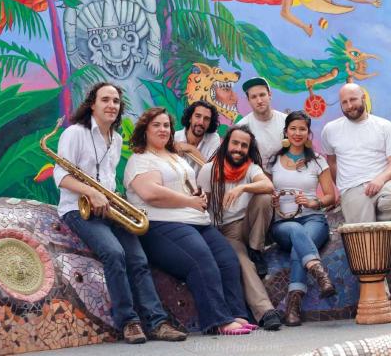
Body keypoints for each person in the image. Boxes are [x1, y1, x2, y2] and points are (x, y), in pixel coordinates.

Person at [54, 83, 186, 344]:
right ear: (93, 104)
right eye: (105, 100)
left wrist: (117, 201)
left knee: (138, 259)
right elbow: (61, 176)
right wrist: (90, 192)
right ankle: (129, 322)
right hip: (77, 208)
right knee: (114, 253)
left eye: (115, 101)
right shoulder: (74, 134)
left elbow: (109, 179)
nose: (111, 105)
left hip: (109, 206)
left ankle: (157, 322)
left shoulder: (115, 138)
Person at [123, 107, 254, 335]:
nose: (163, 130)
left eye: (166, 126)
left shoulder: (174, 156)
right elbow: (151, 193)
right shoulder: (140, 159)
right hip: (161, 224)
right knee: (200, 259)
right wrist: (188, 201)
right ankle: (219, 321)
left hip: (195, 220)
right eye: (156, 125)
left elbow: (186, 186)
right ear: (144, 130)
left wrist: (198, 195)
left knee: (227, 259)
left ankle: (237, 314)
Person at [197, 125, 283, 331]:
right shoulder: (209, 170)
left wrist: (243, 187)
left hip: (246, 225)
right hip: (221, 230)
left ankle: (255, 249)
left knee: (264, 196)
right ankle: (266, 311)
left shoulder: (252, 168)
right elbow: (202, 205)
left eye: (244, 145)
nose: (239, 148)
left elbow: (269, 186)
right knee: (242, 261)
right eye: (235, 143)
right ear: (226, 143)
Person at [268, 111, 336, 326]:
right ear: (286, 131)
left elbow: (330, 196)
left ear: (308, 133)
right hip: (282, 223)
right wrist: (272, 202)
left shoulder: (317, 161)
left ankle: (293, 305)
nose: (298, 133)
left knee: (301, 242)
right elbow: (265, 191)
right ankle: (318, 271)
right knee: (297, 233)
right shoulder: (273, 161)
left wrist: (313, 202)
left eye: (302, 129)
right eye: (293, 128)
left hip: (313, 219)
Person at [321, 83, 391, 224]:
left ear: (363, 98)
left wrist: (380, 179)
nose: (349, 106)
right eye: (344, 102)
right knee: (365, 235)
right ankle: (368, 219)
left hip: (383, 184)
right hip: (352, 188)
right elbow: (332, 162)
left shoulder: (384, 126)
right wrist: (342, 189)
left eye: (353, 100)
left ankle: (372, 218)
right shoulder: (330, 130)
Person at [237, 77, 286, 168]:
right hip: (256, 179)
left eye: (262, 95)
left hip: (284, 178)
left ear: (270, 95)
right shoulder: (241, 127)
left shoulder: (286, 121)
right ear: (248, 100)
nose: (259, 101)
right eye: (254, 97)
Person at [174, 100, 221, 174]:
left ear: (210, 123)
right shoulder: (175, 138)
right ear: (190, 118)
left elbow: (213, 172)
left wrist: (191, 149)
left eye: (206, 119)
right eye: (198, 116)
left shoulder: (213, 138)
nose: (201, 122)